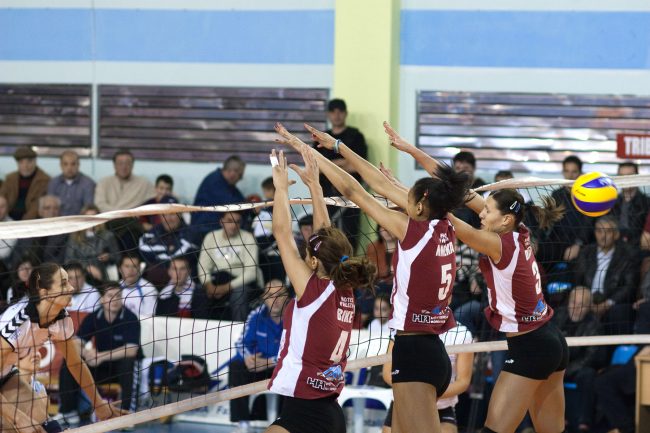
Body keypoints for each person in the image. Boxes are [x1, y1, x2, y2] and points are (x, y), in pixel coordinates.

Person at [276, 123, 468, 433]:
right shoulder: (445, 225)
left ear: (419, 205)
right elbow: (379, 182)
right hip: (432, 350)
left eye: (408, 196)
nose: (400, 196)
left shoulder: (412, 230)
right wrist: (336, 147)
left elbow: (355, 189)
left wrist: (311, 151)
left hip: (414, 352)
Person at [384, 121, 569, 433]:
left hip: (531, 348)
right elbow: (457, 189)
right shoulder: (518, 230)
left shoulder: (496, 243)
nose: (481, 213)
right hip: (552, 341)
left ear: (504, 219)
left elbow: (442, 210)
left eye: (487, 212)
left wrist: (408, 194)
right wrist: (411, 149)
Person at [265, 146, 375, 433]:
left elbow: (282, 234)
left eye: (308, 255)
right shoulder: (344, 286)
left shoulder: (313, 289)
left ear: (314, 261)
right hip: (327, 410)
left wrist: (280, 190)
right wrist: (315, 186)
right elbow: (325, 234)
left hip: (307, 410)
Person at [0, 263, 125, 432]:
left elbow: (75, 363)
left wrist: (99, 405)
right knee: (18, 424)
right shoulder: (16, 324)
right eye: (64, 283)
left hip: (5, 374)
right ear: (45, 293)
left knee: (41, 422)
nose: (72, 287)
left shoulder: (61, 319)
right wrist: (19, 419)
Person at [58, 281, 141, 422]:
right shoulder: (94, 317)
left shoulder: (130, 318)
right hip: (101, 368)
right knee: (69, 361)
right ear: (102, 299)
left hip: (122, 368)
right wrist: (86, 354)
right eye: (110, 296)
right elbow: (76, 342)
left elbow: (132, 350)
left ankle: (128, 414)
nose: (115, 300)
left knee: (128, 363)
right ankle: (68, 411)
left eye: (118, 296)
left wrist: (101, 356)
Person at [381, 321, 475, 433]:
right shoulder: (402, 327)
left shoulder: (461, 333)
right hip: (403, 402)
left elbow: (463, 382)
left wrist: (426, 396)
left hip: (441, 407)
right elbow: (387, 373)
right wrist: (417, 394)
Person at [229, 280, 288, 433]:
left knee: (293, 371)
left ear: (287, 297)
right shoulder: (257, 314)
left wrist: (270, 362)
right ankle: (242, 422)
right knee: (236, 366)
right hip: (258, 368)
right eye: (270, 295)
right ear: (263, 297)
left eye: (279, 295)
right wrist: (248, 359)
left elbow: (298, 352)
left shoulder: (295, 316)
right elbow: (241, 343)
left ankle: (286, 423)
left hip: (283, 369)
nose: (275, 300)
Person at [313, 99, 368, 251]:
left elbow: (358, 166)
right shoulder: (320, 139)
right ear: (328, 114)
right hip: (326, 198)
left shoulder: (355, 136)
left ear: (345, 114)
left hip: (351, 197)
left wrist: (327, 165)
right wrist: (344, 162)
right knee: (326, 241)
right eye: (333, 112)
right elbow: (314, 168)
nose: (337, 115)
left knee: (349, 241)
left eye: (340, 112)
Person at [553, 287, 607, 432]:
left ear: (589, 307)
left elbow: (590, 357)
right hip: (559, 363)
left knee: (588, 374)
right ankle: (553, 420)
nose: (575, 308)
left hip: (579, 367)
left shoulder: (594, 325)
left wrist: (565, 370)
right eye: (573, 303)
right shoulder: (558, 316)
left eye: (581, 304)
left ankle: (584, 423)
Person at [573, 216, 639, 335]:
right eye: (599, 231)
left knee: (619, 312)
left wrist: (608, 303)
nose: (603, 236)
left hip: (612, 301)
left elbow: (630, 286)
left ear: (616, 234)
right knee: (568, 308)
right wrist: (585, 302)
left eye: (608, 231)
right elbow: (577, 280)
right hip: (587, 300)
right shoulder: (586, 252)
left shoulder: (627, 255)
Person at [197, 211, 262, 321]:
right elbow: (203, 266)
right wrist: (208, 285)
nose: (233, 225)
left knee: (239, 294)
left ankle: (240, 333)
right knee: (199, 292)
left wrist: (226, 288)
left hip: (242, 283)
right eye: (229, 221)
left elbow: (251, 273)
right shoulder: (211, 237)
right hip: (218, 280)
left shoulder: (248, 238)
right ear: (221, 222)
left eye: (237, 222)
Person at [95, 149, 154, 251]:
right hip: (109, 222)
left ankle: (129, 264)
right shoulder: (104, 183)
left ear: (132, 165)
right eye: (120, 163)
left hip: (132, 224)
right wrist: (119, 213)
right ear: (114, 165)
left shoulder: (144, 183)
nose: (124, 167)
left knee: (131, 232)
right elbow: (99, 205)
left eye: (127, 163)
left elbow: (156, 200)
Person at [191, 155, 246, 244]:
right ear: (232, 172)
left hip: (212, 228)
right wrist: (251, 205)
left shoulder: (225, 184)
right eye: (240, 175)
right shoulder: (215, 181)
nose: (240, 179)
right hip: (203, 230)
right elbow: (233, 203)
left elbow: (239, 198)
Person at [64, 204, 120, 283]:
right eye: (87, 217)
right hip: (80, 277)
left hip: (103, 274)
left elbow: (118, 257)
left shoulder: (108, 236)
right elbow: (68, 260)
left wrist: (108, 257)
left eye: (93, 217)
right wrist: (87, 267)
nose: (90, 220)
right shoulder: (74, 237)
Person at [138, 212, 195, 288]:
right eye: (164, 215)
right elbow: (143, 249)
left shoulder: (190, 232)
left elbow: (184, 254)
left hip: (184, 284)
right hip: (151, 284)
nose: (168, 219)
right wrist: (169, 250)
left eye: (172, 214)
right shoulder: (154, 230)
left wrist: (158, 253)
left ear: (180, 214)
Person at [10, 195, 68, 268]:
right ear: (40, 211)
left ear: (59, 211)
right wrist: (21, 268)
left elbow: (60, 260)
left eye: (55, 208)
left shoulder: (63, 234)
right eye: (47, 208)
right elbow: (17, 253)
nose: (52, 211)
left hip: (47, 273)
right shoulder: (28, 229)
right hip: (22, 272)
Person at [0, 146, 50, 221]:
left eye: (29, 162)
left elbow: (38, 205)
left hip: (33, 220)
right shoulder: (10, 178)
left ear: (35, 161)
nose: (25, 166)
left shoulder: (45, 180)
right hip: (7, 218)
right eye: (21, 162)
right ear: (17, 163)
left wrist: (23, 222)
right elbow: (2, 198)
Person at [610, 162, 649, 247]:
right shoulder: (611, 203)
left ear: (637, 177)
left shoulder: (647, 203)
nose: (625, 180)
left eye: (629, 176)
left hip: (639, 251)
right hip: (615, 250)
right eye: (622, 176)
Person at [47, 150, 95, 216]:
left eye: (73, 164)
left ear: (78, 165)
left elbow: (88, 208)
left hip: (80, 222)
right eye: (65, 164)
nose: (69, 168)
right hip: (57, 221)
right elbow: (49, 207)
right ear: (61, 166)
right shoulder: (53, 183)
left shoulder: (88, 183)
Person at [451, 151, 485, 229]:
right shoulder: (450, 188)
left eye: (465, 168)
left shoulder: (483, 188)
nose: (461, 172)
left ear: (473, 168)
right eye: (458, 168)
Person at [118, 254, 157, 318]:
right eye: (127, 266)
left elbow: (150, 319)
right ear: (120, 269)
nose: (131, 270)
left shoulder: (149, 289)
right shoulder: (115, 288)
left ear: (139, 269)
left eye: (134, 266)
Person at [0, 196, 17, 265]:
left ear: (7, 209)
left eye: (2, 207)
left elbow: (5, 253)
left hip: (4, 265)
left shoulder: (13, 226)